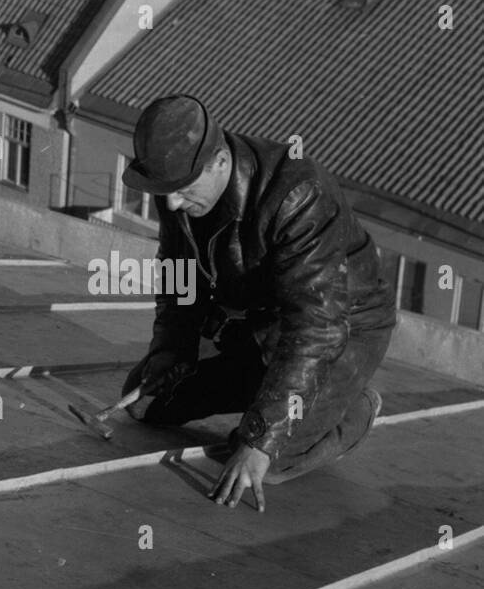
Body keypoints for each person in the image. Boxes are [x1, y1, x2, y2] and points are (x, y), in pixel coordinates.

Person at [119, 95, 396, 511]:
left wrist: (261, 439)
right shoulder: (175, 182)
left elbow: (317, 326)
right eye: (167, 193)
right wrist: (170, 352)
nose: (172, 204)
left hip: (344, 327)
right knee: (147, 402)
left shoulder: (298, 194)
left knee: (269, 457)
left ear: (218, 162)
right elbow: (180, 277)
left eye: (184, 192)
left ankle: (354, 406)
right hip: (268, 324)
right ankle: (268, 391)